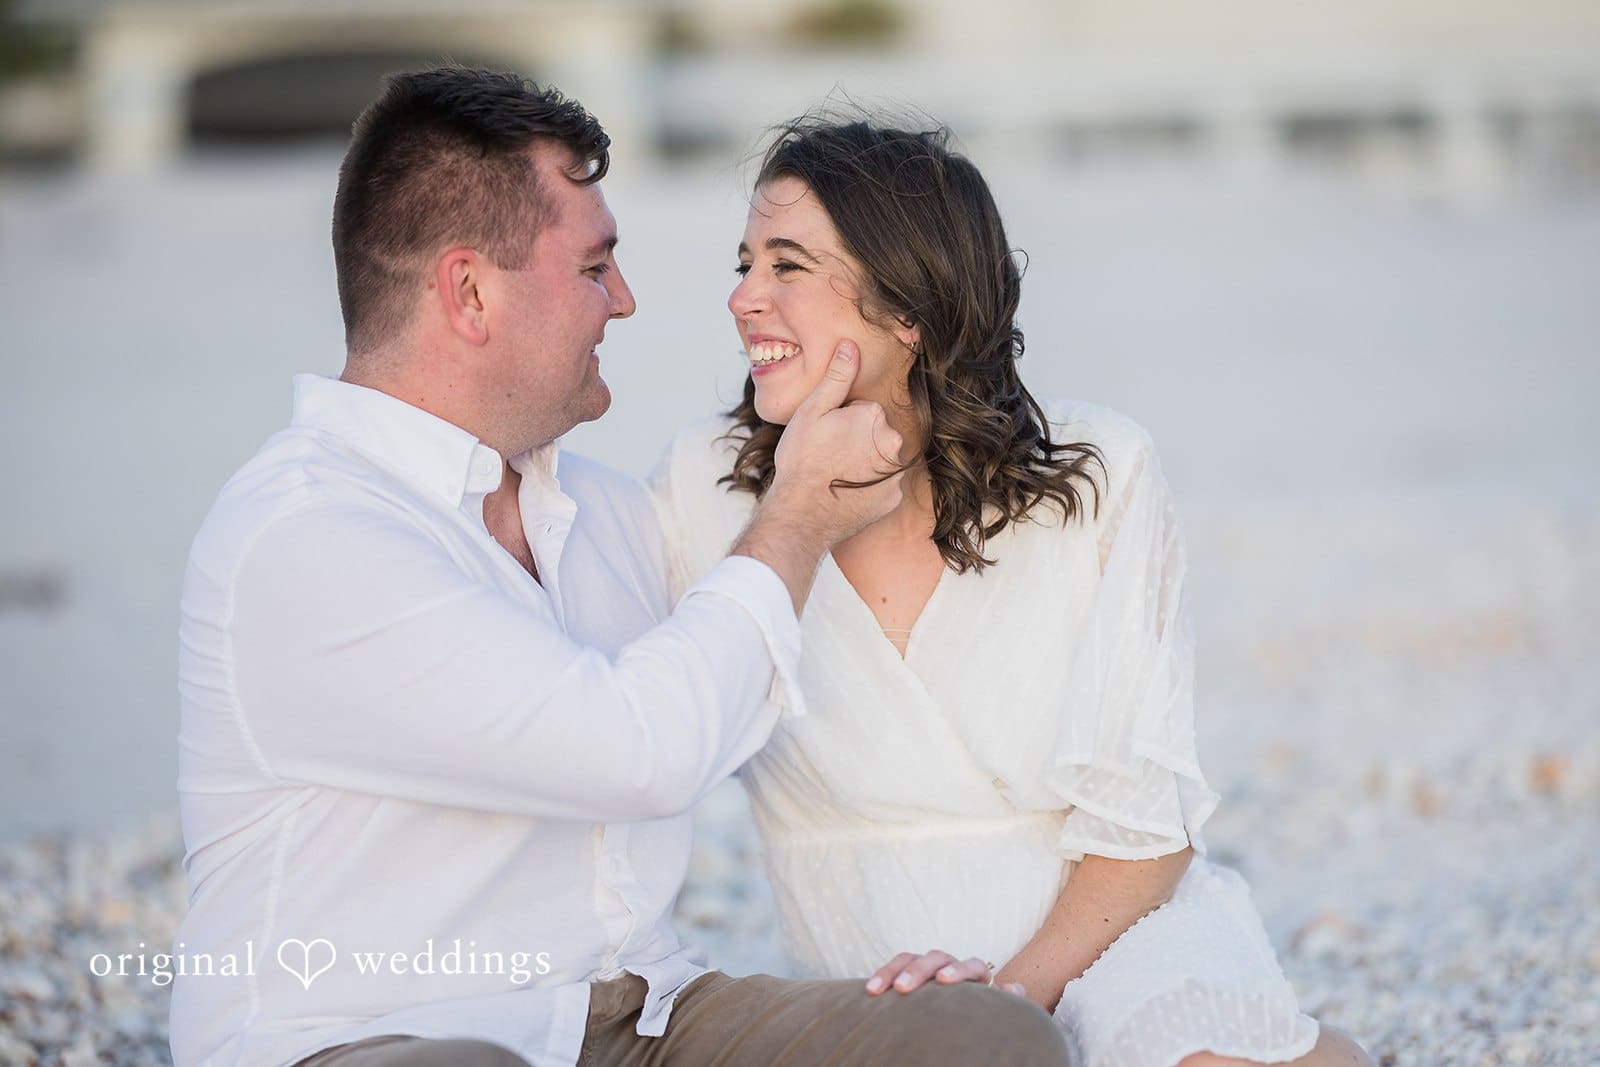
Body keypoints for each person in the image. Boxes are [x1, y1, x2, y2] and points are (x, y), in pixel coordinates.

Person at [171, 68, 1070, 1067]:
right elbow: (633, 748)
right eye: (596, 266)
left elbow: (782, 670)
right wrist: (798, 513)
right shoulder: (309, 534)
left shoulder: (604, 509)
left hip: (646, 1022)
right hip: (370, 1035)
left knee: (985, 1034)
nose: (627, 301)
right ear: (469, 291)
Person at [649, 114, 1378, 1067]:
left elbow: (1147, 832)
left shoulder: (1102, 472)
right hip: (891, 976)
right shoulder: (705, 488)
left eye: (787, 265)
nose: (744, 298)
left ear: (907, 307)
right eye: (743, 264)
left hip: (1116, 937)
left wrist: (1012, 999)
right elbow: (639, 724)